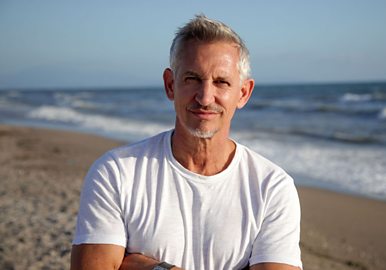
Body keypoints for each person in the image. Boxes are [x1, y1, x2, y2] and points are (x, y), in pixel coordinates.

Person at [71, 15, 302, 270]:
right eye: (192, 79)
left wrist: (147, 267)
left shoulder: (271, 188)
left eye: (221, 82)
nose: (205, 97)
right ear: (170, 85)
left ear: (243, 93)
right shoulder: (116, 172)